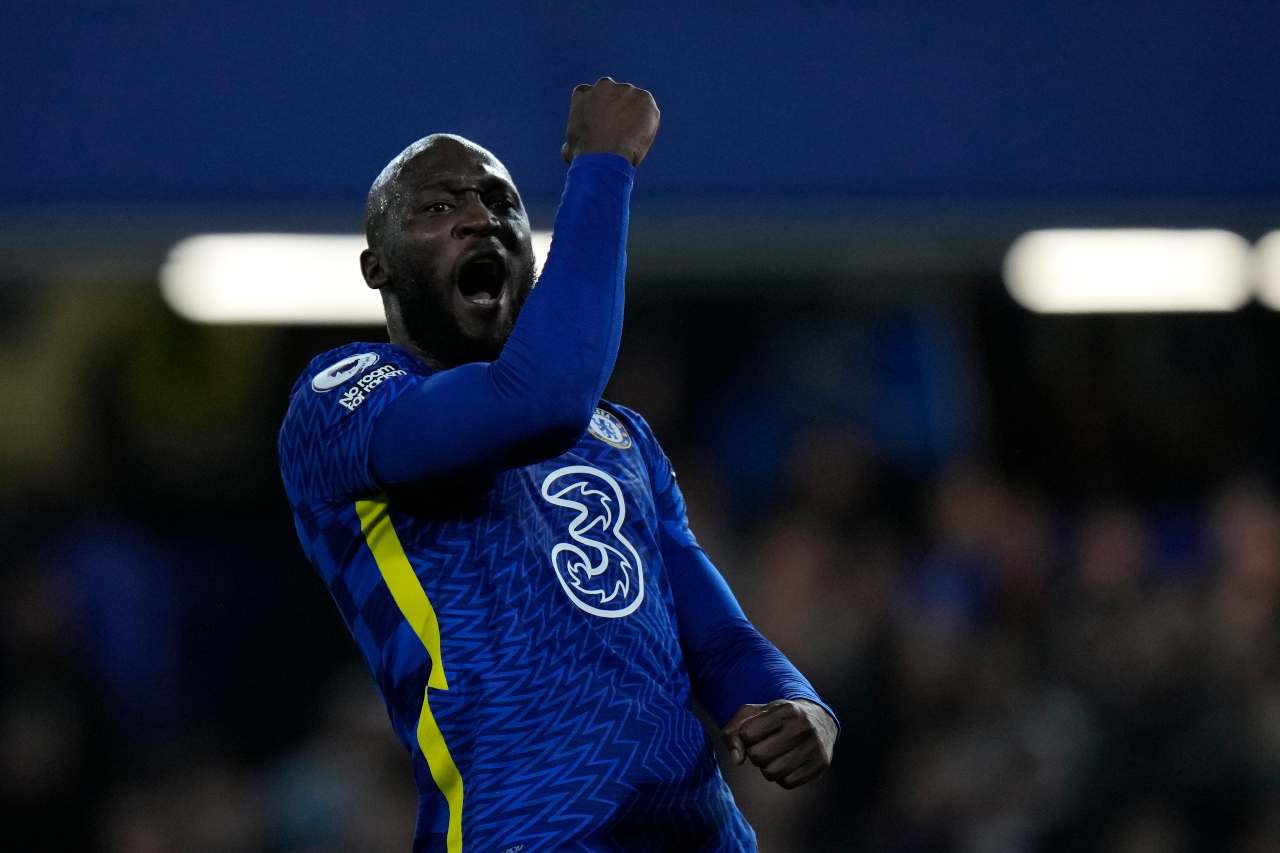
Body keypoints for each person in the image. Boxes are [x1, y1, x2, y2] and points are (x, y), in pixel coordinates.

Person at [278, 78, 838, 852]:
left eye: (500, 203)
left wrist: (794, 701)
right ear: (379, 268)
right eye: (437, 207)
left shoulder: (621, 437)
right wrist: (604, 165)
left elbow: (715, 635)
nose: (479, 216)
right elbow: (536, 401)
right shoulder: (343, 403)